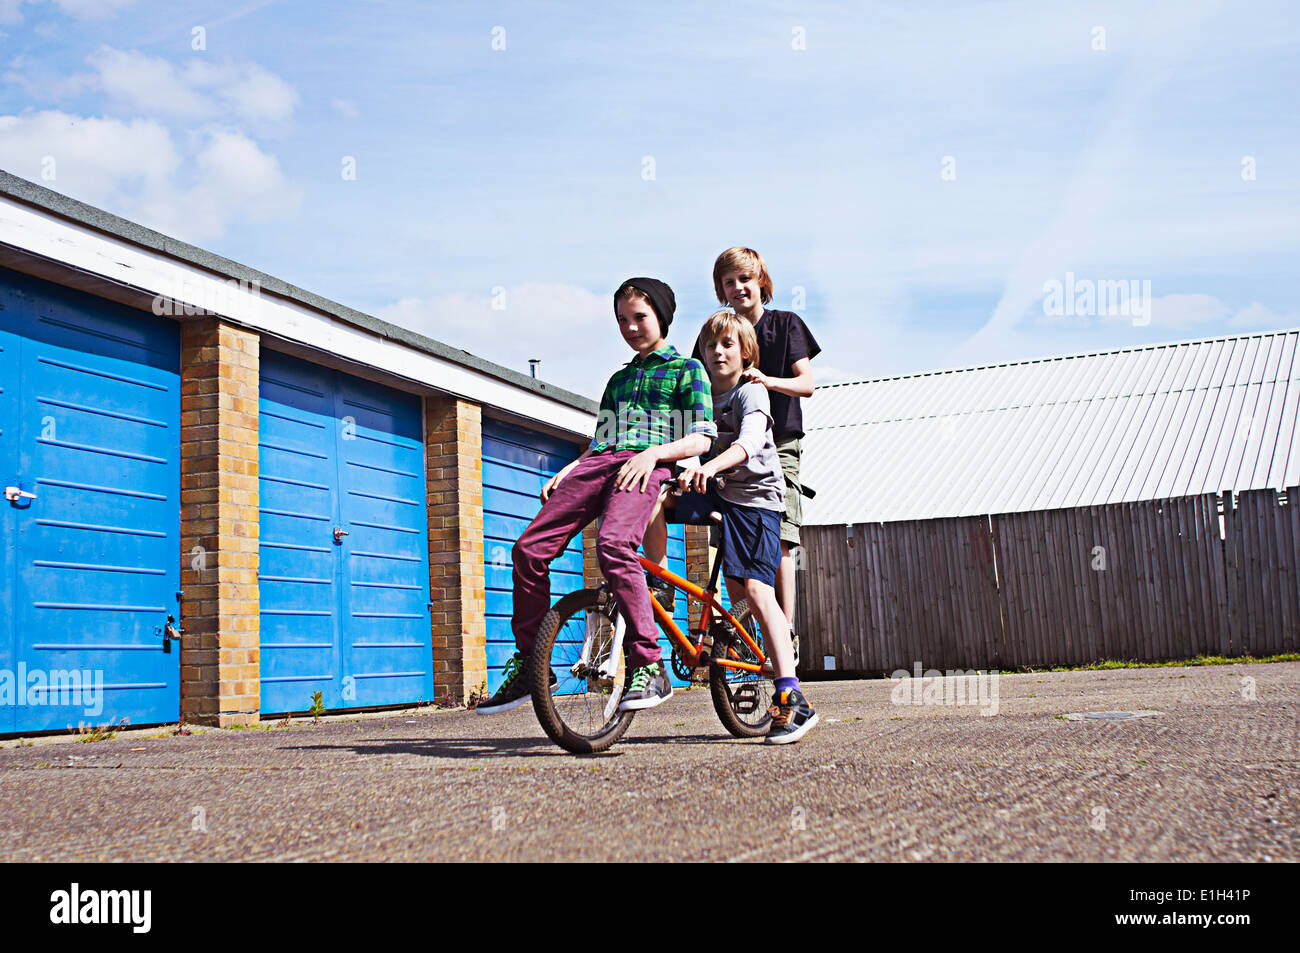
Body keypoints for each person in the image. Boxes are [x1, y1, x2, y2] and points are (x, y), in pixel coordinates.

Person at [476, 277, 715, 715]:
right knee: (528, 550)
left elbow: (701, 438)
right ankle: (533, 665)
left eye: (640, 317)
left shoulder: (686, 370)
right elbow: (599, 442)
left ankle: (649, 663)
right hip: (598, 465)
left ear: (662, 316)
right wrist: (568, 469)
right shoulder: (619, 380)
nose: (631, 327)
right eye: (622, 320)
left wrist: (654, 455)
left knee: (612, 545)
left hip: (644, 465)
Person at [655, 309, 818, 743]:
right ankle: (658, 586)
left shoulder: (751, 393)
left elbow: (747, 444)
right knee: (650, 496)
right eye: (711, 346)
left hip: (756, 501)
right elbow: (688, 439)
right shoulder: (704, 396)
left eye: (728, 344)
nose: (718, 351)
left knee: (756, 591)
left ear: (746, 354)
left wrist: (708, 469)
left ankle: (792, 697)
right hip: (720, 493)